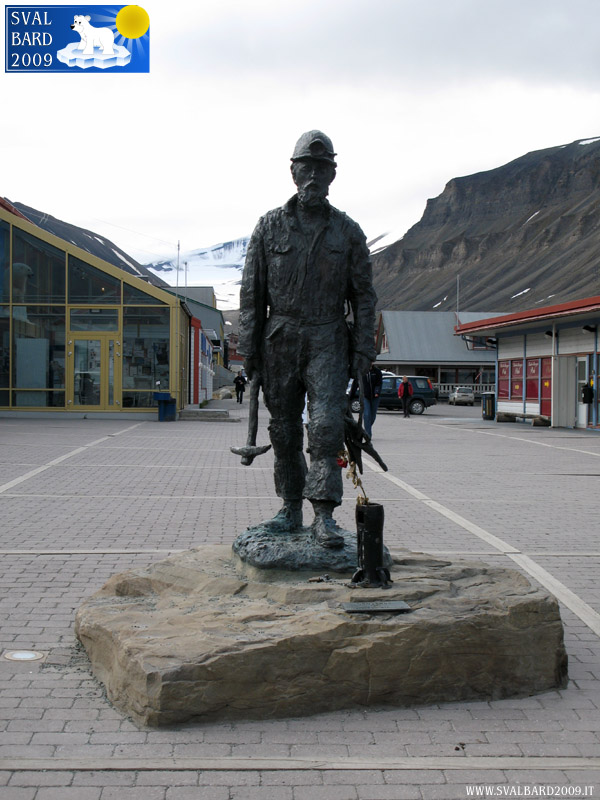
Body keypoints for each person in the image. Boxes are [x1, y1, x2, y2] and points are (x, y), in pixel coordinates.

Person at [238, 130, 377, 548]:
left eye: (322, 168)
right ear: (294, 172)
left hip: (328, 337)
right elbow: (252, 293)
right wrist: (249, 348)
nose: (314, 176)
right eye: (307, 168)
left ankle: (323, 515)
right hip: (280, 337)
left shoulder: (348, 232)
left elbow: (364, 297)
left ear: (332, 174)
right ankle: (288, 508)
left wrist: (363, 348)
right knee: (283, 429)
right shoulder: (268, 226)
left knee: (326, 426)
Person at [351, 363, 383, 438]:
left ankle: (366, 429)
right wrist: (351, 396)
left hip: (375, 397)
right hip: (364, 396)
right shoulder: (361, 372)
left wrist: (377, 392)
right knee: (366, 414)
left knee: (372, 416)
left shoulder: (377, 372)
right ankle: (368, 434)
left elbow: (379, 383)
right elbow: (355, 384)